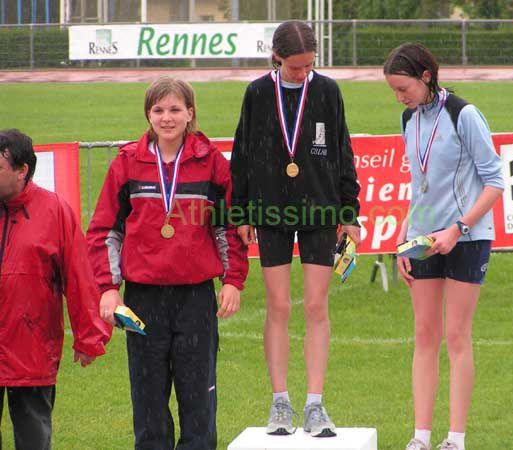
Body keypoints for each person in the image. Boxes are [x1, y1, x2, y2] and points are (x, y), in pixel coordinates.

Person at [86, 77, 248, 450]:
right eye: (158, 110)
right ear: (148, 115)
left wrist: (233, 280)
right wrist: (109, 288)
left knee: (198, 398)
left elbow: (229, 226)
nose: (167, 117)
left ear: (190, 113)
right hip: (142, 299)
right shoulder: (128, 162)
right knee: (148, 401)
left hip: (195, 299)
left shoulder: (211, 163)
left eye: (175, 109)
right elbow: (104, 231)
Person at [230, 20, 361, 438]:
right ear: (277, 57)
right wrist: (242, 213)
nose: (303, 73)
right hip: (271, 211)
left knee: (316, 306)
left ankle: (315, 404)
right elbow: (242, 153)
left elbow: (342, 151)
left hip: (320, 210)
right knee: (279, 306)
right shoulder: (256, 93)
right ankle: (280, 401)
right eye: (295, 67)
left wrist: (349, 211)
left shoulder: (326, 91)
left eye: (309, 66)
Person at [383, 43, 504, 450]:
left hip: (467, 237)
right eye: (395, 91)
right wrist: (404, 240)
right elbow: (419, 187)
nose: (400, 97)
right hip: (423, 240)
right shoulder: (408, 118)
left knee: (456, 335)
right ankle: (420, 437)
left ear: (426, 77)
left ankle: (455, 439)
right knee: (424, 334)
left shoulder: (464, 115)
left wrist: (458, 227)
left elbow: (494, 182)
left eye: (404, 88)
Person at [0, 129, 111, 450]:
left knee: (33, 439)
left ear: (22, 171)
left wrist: (89, 336)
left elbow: (79, 277)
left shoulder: (54, 211)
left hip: (31, 349)